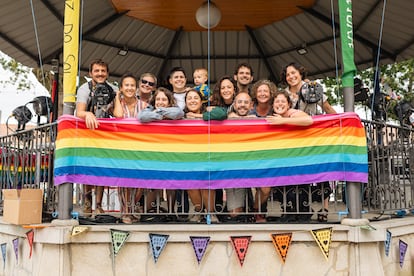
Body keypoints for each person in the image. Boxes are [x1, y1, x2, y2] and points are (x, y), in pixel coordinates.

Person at [281, 62, 336, 221]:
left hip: (312, 135)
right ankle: (293, 207)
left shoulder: (313, 88)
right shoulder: (284, 94)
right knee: (293, 173)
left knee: (320, 171)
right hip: (292, 139)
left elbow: (327, 108)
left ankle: (324, 209)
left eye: (293, 73)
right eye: (288, 74)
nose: (291, 76)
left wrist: (342, 120)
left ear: (300, 72)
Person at [75, 59, 117, 216]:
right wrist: (88, 113)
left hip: (105, 134)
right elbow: (79, 111)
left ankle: (98, 204)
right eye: (97, 71)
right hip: (87, 133)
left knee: (101, 169)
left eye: (103, 71)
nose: (100, 73)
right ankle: (87, 201)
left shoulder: (113, 88)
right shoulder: (84, 89)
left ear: (107, 73)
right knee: (88, 168)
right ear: (90, 73)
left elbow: (117, 112)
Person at [113, 73, 147, 224]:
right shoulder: (118, 103)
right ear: (121, 88)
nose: (130, 88)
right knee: (125, 181)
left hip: (140, 147)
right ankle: (126, 212)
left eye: (132, 85)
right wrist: (116, 97)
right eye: (126, 85)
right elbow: (119, 116)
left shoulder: (144, 105)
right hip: (123, 148)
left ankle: (133, 208)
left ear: (137, 88)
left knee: (140, 180)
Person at [184, 89, 219, 223]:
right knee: (191, 185)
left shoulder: (208, 113)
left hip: (207, 154)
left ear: (201, 101)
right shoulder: (180, 116)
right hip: (188, 155)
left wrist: (199, 117)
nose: (193, 100)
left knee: (207, 184)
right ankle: (198, 212)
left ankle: (211, 213)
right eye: (189, 98)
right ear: (186, 102)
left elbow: (221, 114)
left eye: (195, 98)